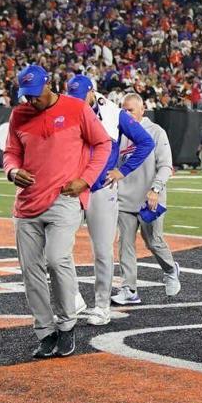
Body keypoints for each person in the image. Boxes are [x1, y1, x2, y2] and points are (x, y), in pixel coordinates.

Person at [5, 64, 112, 359]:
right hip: (26, 204)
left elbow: (103, 144)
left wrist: (86, 180)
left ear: (49, 85)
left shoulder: (76, 108)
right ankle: (45, 331)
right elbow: (11, 152)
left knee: (56, 259)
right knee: (31, 271)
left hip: (64, 198)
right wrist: (13, 171)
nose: (31, 101)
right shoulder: (19, 114)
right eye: (26, 95)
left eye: (35, 95)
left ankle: (66, 325)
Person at [65, 75, 155, 326]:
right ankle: (73, 296)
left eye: (80, 98)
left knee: (103, 251)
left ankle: (102, 306)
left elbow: (146, 142)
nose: (76, 103)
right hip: (71, 187)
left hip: (100, 188)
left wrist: (122, 171)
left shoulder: (113, 113)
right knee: (58, 249)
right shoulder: (65, 109)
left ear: (92, 93)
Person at [112, 94, 180, 306]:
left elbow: (166, 165)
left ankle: (170, 269)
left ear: (143, 110)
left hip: (150, 197)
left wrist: (156, 189)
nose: (126, 114)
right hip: (124, 197)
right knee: (125, 243)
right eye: (123, 109)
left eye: (131, 110)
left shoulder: (156, 132)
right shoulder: (119, 132)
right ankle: (129, 288)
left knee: (153, 241)